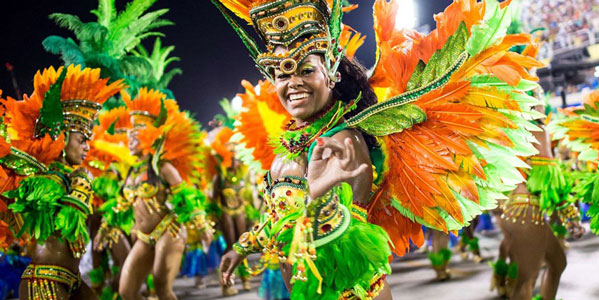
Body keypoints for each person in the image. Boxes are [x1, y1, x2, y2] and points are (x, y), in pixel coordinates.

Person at [1, 65, 125, 299]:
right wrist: (82, 184)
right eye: (81, 140)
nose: (87, 147)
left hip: (71, 279)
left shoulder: (68, 176)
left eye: (88, 140)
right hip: (45, 283)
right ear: (62, 138)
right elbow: (65, 222)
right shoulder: (45, 180)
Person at [118, 88, 213, 300]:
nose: (129, 141)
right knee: (127, 291)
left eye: (135, 136)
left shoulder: (162, 166)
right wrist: (107, 227)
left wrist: (201, 224)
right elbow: (121, 205)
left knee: (162, 287)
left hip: (169, 231)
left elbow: (186, 195)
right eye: (128, 136)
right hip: (144, 237)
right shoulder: (133, 171)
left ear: (148, 136)